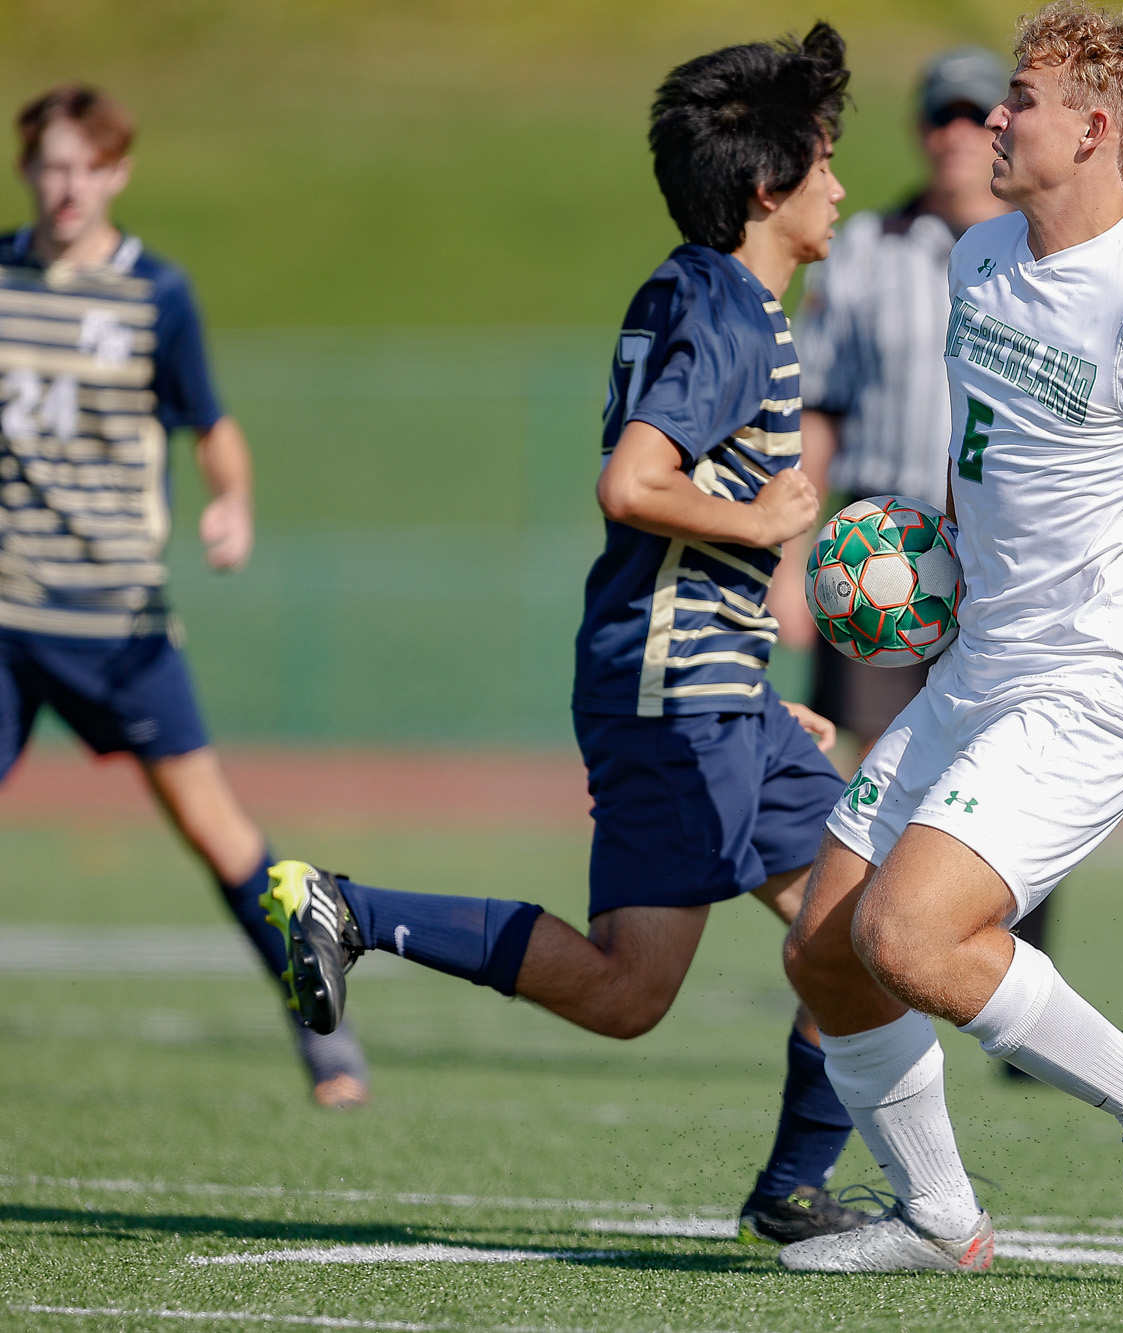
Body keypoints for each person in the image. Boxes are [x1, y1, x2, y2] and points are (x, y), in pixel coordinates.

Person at [259, 25, 874, 1245]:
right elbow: (632, 482)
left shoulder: (709, 289)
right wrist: (760, 516)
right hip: (671, 693)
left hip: (712, 691)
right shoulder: (732, 313)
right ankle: (346, 908)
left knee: (861, 933)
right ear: (768, 187)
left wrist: (755, 688)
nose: (840, 184)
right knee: (629, 992)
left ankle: (795, 1187)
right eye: (823, 161)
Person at [774, 2, 1123, 1282]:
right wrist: (927, 564)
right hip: (980, 664)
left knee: (911, 940)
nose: (993, 116)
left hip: (1095, 683)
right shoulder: (978, 258)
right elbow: (987, 459)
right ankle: (939, 1218)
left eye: (1018, 98)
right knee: (822, 947)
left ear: (1091, 132)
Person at [0, 85, 371, 1108]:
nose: (65, 186)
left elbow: (211, 424)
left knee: (219, 835)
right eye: (49, 166)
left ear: (117, 172)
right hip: (5, 617)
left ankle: (319, 1020)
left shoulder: (155, 293)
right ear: (27, 169)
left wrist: (233, 503)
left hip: (117, 623)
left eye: (86, 167)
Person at [779, 46, 1057, 1074]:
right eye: (938, 114)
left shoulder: (1036, 245)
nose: (955, 132)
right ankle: (876, 977)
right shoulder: (864, 246)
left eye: (975, 112)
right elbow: (821, 400)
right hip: (883, 544)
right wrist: (792, 559)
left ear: (1003, 127)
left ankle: (1005, 980)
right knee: (870, 771)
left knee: (1010, 757)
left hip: (995, 539)